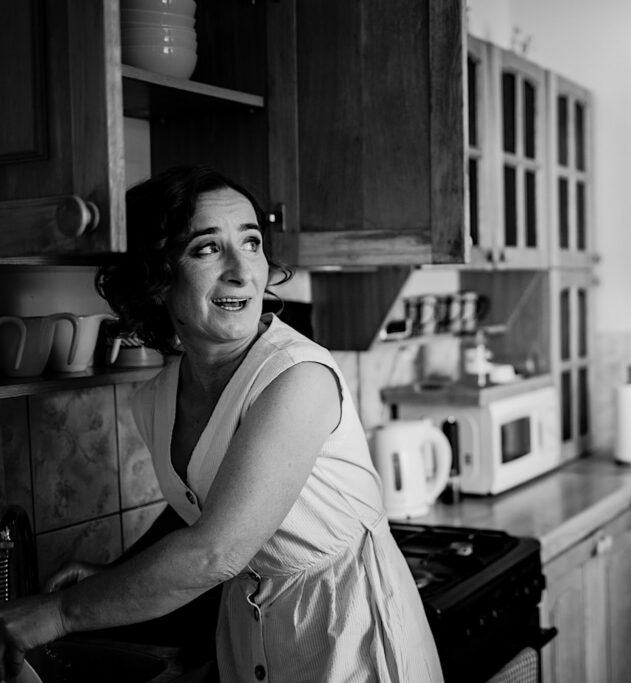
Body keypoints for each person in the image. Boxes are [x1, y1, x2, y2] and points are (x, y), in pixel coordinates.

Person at [0, 165, 444, 683]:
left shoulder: (298, 378)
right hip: (253, 634)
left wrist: (58, 613)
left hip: (348, 631)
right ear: (156, 278)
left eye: (251, 243)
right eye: (207, 248)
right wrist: (116, 576)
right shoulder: (159, 398)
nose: (242, 271)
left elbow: (216, 549)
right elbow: (198, 506)